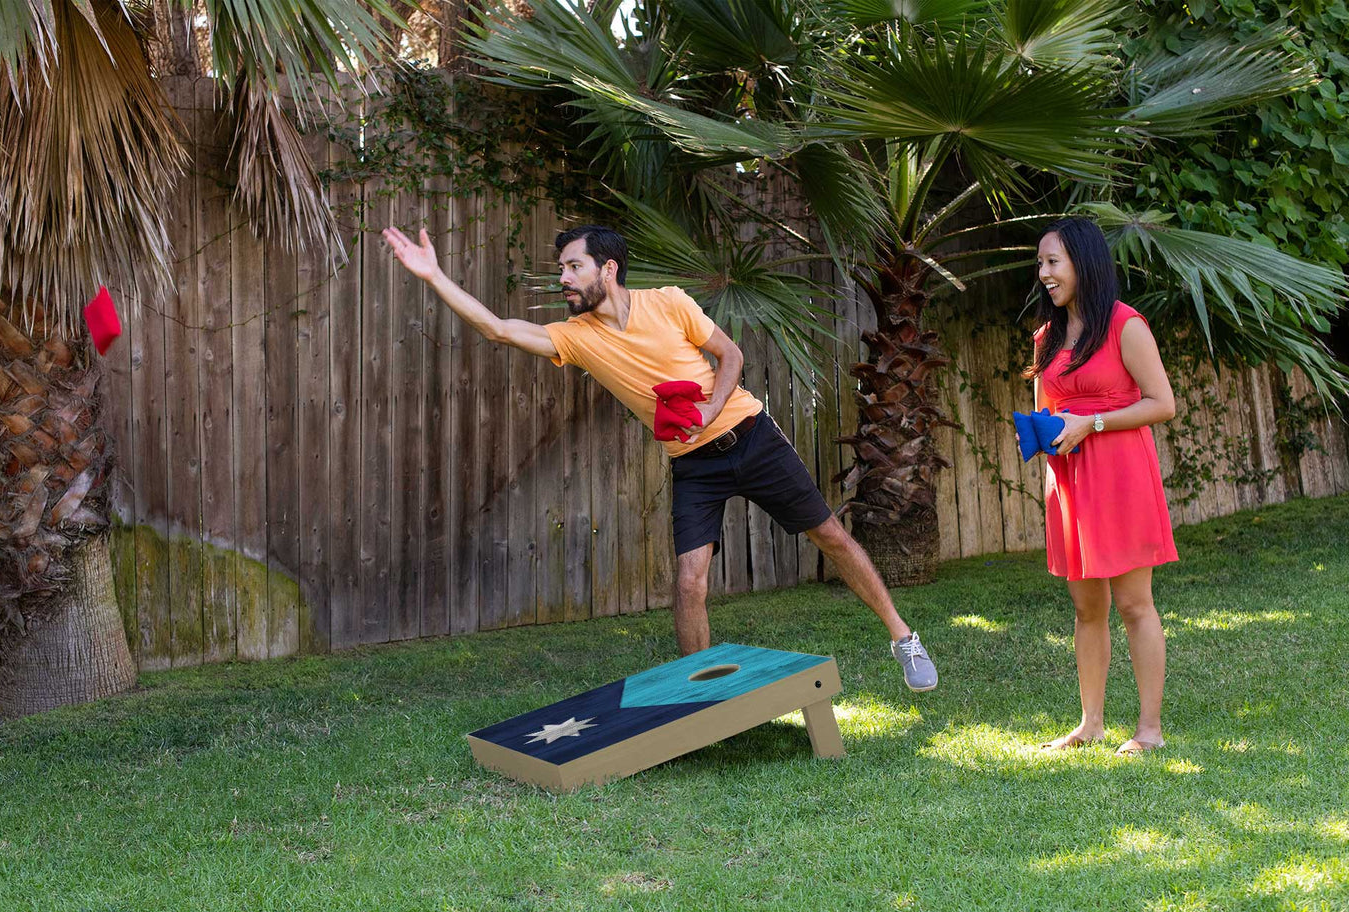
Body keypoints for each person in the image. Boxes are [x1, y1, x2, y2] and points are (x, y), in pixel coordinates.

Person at [381, 222, 938, 691]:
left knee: (831, 536)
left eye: (573, 267)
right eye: (561, 269)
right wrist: (434, 276)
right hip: (694, 464)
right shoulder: (576, 337)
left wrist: (711, 408)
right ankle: (706, 692)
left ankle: (903, 638)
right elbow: (498, 329)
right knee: (690, 581)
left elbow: (730, 355)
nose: (563, 279)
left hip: (751, 435)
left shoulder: (668, 303)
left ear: (608, 270)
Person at [1026, 217, 1178, 755]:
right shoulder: (1046, 338)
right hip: (1069, 482)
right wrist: (1040, 433)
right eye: (1040, 263)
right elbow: (1050, 411)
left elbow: (1162, 403)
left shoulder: (1124, 325)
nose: (1043, 273)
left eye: (1053, 262)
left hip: (1121, 475)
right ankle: (1090, 724)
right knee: (1087, 609)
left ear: (1083, 263)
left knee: (1135, 604)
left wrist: (1090, 424)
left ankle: (1149, 731)